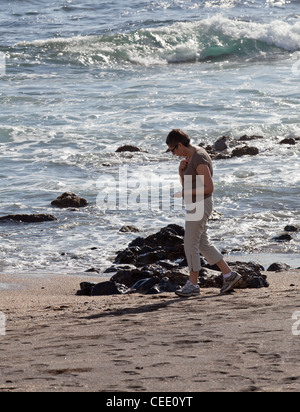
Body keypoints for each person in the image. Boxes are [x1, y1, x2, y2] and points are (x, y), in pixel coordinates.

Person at [166, 129, 241, 297]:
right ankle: (229, 274)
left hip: (200, 204)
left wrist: (185, 193)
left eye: (172, 150)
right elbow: (189, 185)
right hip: (195, 205)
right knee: (202, 243)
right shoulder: (190, 158)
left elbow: (208, 187)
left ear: (179, 144)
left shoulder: (199, 157)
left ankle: (192, 284)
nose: (173, 153)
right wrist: (180, 171)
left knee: (189, 243)